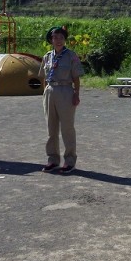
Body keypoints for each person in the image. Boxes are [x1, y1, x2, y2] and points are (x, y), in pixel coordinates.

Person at [39, 26, 84, 174]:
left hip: (65, 90)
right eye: (55, 38)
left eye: (61, 38)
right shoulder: (47, 56)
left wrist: (76, 93)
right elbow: (44, 77)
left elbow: (76, 77)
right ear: (51, 40)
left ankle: (70, 161)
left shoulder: (71, 56)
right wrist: (45, 92)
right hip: (50, 90)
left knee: (67, 128)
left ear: (65, 40)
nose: (58, 40)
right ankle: (53, 159)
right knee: (51, 127)